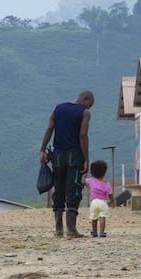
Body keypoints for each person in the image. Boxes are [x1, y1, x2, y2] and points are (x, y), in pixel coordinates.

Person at [40, 90, 94, 238]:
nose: (89, 108)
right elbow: (83, 135)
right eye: (90, 105)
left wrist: (42, 149)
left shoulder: (57, 108)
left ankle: (58, 229)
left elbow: (50, 129)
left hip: (57, 155)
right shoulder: (84, 112)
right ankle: (71, 228)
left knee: (59, 188)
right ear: (86, 100)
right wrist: (86, 159)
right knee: (74, 189)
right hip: (75, 155)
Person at [82, 160, 115, 238]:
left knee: (94, 217)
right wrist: (113, 202)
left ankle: (94, 232)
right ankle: (102, 232)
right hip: (103, 202)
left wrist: (83, 175)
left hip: (93, 202)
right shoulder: (107, 183)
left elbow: (83, 182)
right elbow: (110, 194)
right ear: (104, 172)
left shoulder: (91, 180)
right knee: (102, 217)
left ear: (92, 172)